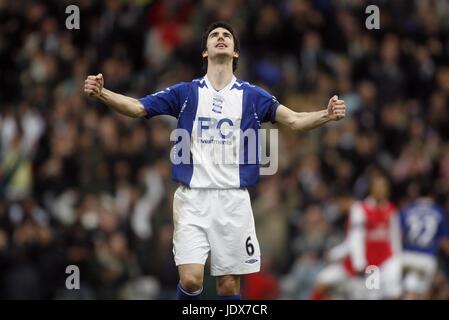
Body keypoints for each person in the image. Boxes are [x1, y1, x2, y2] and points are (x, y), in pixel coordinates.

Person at [84, 21, 346, 300]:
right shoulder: (185, 93)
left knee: (229, 287)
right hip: (192, 199)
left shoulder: (252, 96)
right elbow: (137, 108)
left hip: (233, 201)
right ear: (205, 52)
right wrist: (103, 93)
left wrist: (326, 115)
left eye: (226, 36)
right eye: (214, 35)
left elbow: (294, 119)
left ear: (235, 53)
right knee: (192, 279)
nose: (220, 38)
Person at [312, 175, 402, 299]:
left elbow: (395, 239)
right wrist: (359, 264)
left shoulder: (391, 210)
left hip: (382, 263)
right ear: (371, 189)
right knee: (322, 281)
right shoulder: (360, 210)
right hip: (361, 265)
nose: (381, 190)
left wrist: (396, 260)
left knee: (386, 294)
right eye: (378, 187)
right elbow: (355, 240)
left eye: (384, 187)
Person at [400, 179, 449, 299]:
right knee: (424, 294)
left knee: (408, 292)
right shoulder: (439, 211)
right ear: (432, 194)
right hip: (427, 258)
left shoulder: (407, 209)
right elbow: (444, 242)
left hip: (406, 256)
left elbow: (399, 235)